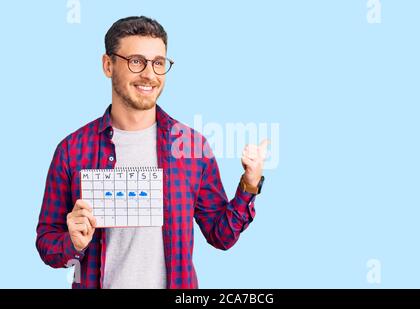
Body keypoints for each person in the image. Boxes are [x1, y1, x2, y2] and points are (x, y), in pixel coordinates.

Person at [36, 16, 267, 289]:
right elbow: (47, 244)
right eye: (136, 61)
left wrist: (249, 185)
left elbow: (221, 236)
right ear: (108, 65)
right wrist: (72, 243)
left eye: (158, 63)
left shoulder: (192, 148)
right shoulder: (72, 151)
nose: (149, 74)